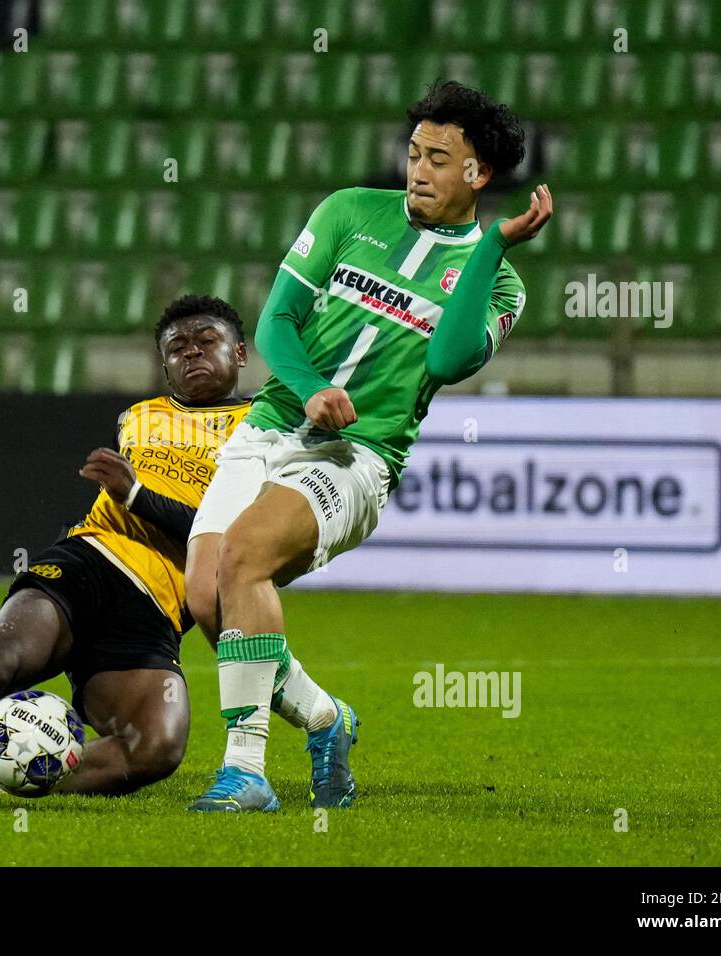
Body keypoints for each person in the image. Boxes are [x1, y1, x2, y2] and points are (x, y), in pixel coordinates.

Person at [184, 80, 553, 812]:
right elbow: (277, 322)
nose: (417, 169)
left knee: (244, 557)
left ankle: (246, 772)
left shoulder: (500, 286)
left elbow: (447, 361)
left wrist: (492, 247)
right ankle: (327, 719)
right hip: (270, 425)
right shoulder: (349, 210)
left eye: (438, 159)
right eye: (414, 152)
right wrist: (310, 384)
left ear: (477, 175)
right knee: (206, 597)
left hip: (356, 459)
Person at [0, 294, 252, 797]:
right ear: (165, 366)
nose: (192, 354)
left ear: (241, 352)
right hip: (90, 560)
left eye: (207, 342)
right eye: (177, 348)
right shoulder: (141, 416)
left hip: (157, 608)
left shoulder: (263, 433)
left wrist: (138, 495)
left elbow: (230, 539)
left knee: (155, 749)